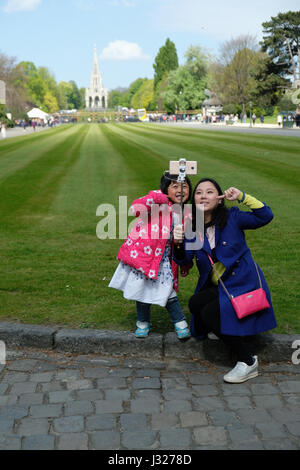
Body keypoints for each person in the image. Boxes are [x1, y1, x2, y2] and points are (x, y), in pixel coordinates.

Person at [173, 178, 276, 383]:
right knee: (195, 304)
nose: (204, 196)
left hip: (243, 283)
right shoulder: (192, 226)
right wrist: (177, 242)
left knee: (210, 313)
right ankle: (235, 331)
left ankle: (246, 361)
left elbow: (265, 216)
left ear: (219, 199)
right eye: (199, 192)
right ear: (194, 199)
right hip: (219, 285)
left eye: (210, 192)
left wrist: (242, 197)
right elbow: (184, 260)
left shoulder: (233, 217)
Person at [109, 173, 193, 340]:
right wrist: (156, 197)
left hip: (165, 261)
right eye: (174, 186)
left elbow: (187, 243)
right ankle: (143, 322)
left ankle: (179, 321)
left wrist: (185, 264)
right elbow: (134, 208)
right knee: (141, 290)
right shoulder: (157, 204)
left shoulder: (188, 213)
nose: (180, 190)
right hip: (144, 258)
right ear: (165, 189)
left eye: (184, 186)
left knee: (169, 292)